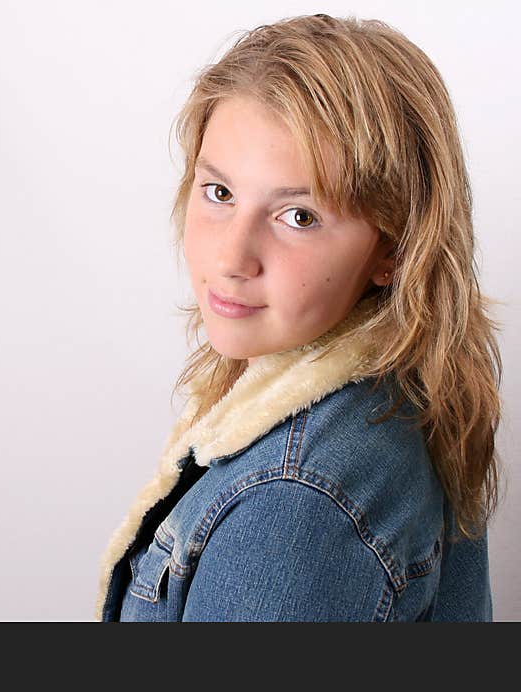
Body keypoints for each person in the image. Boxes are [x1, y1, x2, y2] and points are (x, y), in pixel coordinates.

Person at [95, 13, 503, 622]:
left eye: (299, 217)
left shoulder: (296, 506)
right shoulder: (384, 396)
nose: (231, 259)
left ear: (394, 250)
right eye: (219, 193)